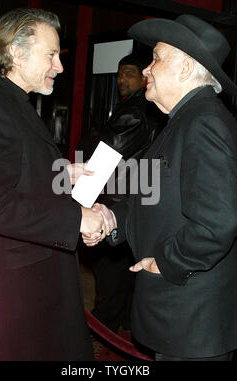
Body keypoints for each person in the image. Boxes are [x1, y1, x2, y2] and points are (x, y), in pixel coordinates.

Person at [83, 15, 237, 361]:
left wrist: (164, 263)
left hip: (194, 318)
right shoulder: (184, 119)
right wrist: (111, 219)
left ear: (185, 68)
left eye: (157, 58)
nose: (147, 69)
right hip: (183, 316)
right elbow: (154, 195)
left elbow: (218, 223)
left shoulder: (203, 122)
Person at [0, 8, 109, 361]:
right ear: (15, 52)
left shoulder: (6, 99)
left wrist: (59, 173)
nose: (60, 67)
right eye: (51, 55)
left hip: (28, 285)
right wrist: (77, 219)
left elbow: (15, 171)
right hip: (13, 298)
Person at [79, 54, 165, 333]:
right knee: (126, 276)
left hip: (117, 199)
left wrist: (79, 199)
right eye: (119, 74)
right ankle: (125, 331)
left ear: (143, 78)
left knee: (110, 278)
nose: (121, 80)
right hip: (137, 199)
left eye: (129, 73)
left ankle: (101, 334)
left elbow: (106, 154)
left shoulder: (134, 111)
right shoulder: (149, 108)